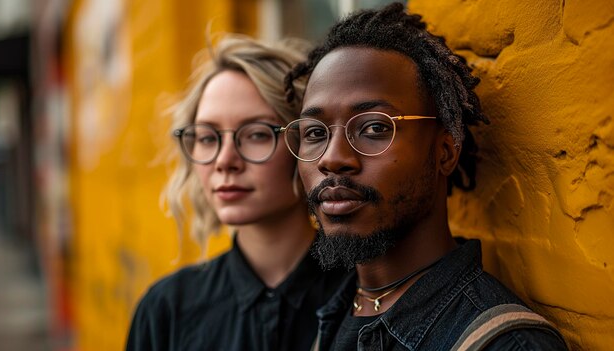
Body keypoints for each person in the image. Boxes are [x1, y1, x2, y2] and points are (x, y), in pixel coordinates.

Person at [281, 3, 568, 350]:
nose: (333, 158)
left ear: (445, 152)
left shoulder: (506, 344)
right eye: (314, 133)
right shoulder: (328, 313)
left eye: (374, 127)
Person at [126, 34, 345, 351]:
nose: (225, 160)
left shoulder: (364, 294)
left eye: (256, 134)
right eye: (207, 137)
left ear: (307, 142)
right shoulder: (166, 311)